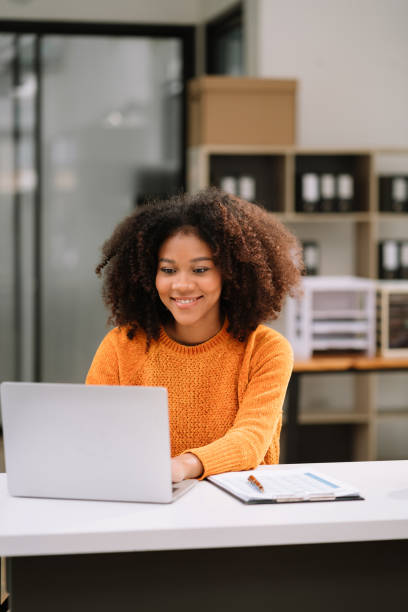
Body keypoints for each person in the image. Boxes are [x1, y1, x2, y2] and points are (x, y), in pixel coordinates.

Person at [86, 187, 303, 482]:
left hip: (238, 511)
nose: (182, 285)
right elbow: (92, 434)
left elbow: (250, 441)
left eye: (200, 270)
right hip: (146, 504)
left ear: (232, 273)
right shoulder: (121, 345)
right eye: (168, 270)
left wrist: (181, 467)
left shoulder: (266, 349)